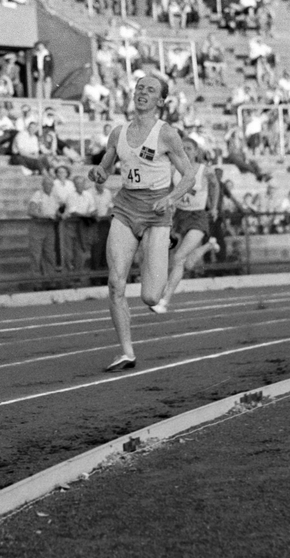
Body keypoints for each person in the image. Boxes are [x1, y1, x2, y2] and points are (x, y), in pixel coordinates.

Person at [88, 73, 196, 372]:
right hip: (125, 207)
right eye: (139, 88)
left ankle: (165, 245)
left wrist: (171, 199)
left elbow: (189, 176)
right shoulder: (118, 132)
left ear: (160, 101)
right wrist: (98, 173)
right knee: (114, 283)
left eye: (150, 90)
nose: (142, 93)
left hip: (157, 210)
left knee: (150, 296)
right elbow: (104, 168)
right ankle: (126, 352)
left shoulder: (167, 134)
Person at [153, 137, 217, 313]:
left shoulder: (205, 170)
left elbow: (215, 184)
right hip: (179, 216)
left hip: (198, 216)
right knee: (184, 263)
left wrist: (214, 206)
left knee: (179, 257)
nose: (186, 150)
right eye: (183, 148)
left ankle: (164, 301)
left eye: (189, 148)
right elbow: (166, 190)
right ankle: (208, 246)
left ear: (196, 151)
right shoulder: (174, 169)